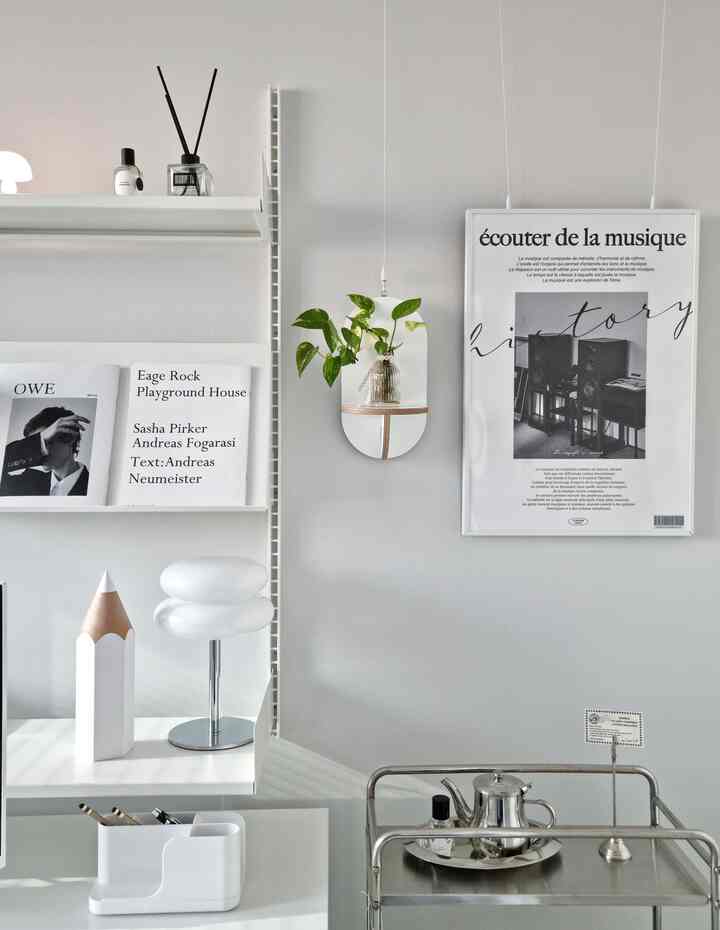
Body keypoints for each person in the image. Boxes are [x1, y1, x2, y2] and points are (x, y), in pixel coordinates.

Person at [0, 406, 91, 496]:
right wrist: (39, 440)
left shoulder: (92, 485)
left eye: (47, 442)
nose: (38, 453)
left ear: (69, 438)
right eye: (37, 445)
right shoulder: (26, 481)